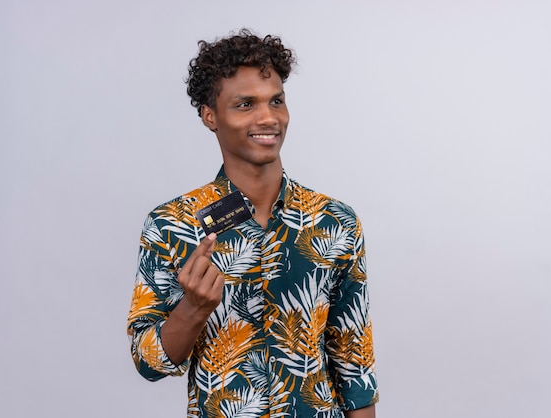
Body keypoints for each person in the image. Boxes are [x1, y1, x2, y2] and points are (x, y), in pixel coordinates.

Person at [127, 29, 378, 418]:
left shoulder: (334, 222)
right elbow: (150, 364)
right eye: (246, 104)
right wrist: (193, 309)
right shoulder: (172, 226)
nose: (268, 117)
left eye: (276, 101)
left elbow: (354, 364)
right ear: (210, 116)